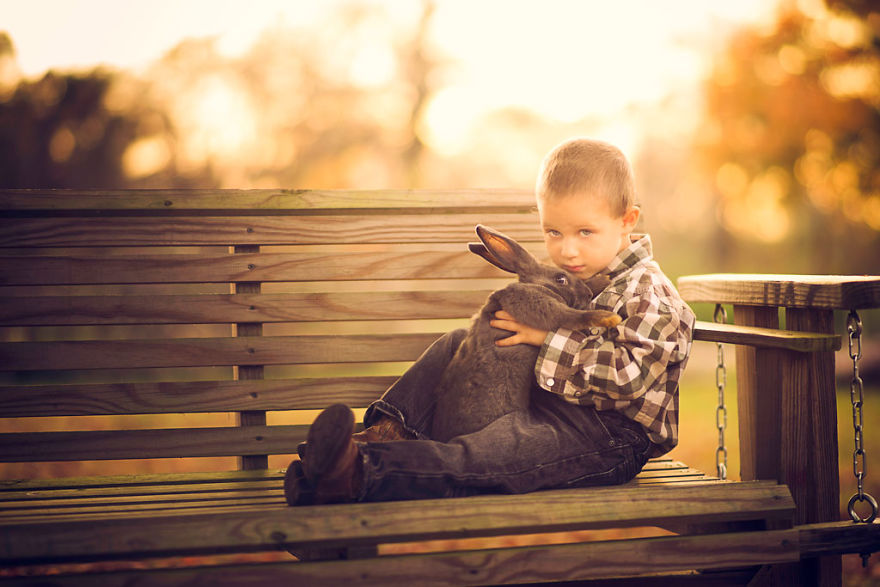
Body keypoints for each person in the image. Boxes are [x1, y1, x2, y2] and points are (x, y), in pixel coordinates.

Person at [285, 137, 696, 506]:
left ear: (627, 220)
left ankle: (358, 472)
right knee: (460, 341)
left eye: (585, 232)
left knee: (489, 455)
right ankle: (383, 435)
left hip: (607, 438)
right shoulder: (582, 276)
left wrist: (545, 339)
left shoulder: (649, 294)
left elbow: (629, 377)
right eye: (553, 232)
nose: (567, 250)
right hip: (544, 403)